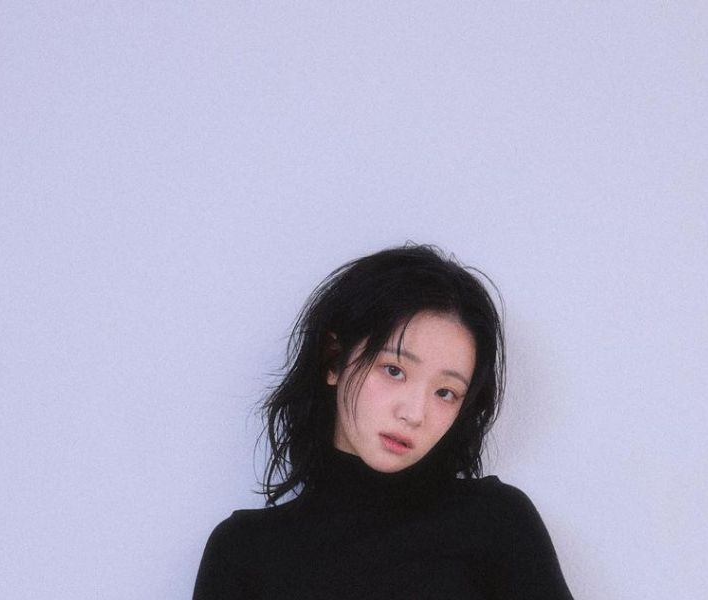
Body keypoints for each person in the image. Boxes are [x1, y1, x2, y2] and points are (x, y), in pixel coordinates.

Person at [193, 244, 574, 599]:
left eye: (445, 392)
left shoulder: (496, 523)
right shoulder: (244, 552)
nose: (414, 413)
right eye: (394, 370)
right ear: (333, 360)